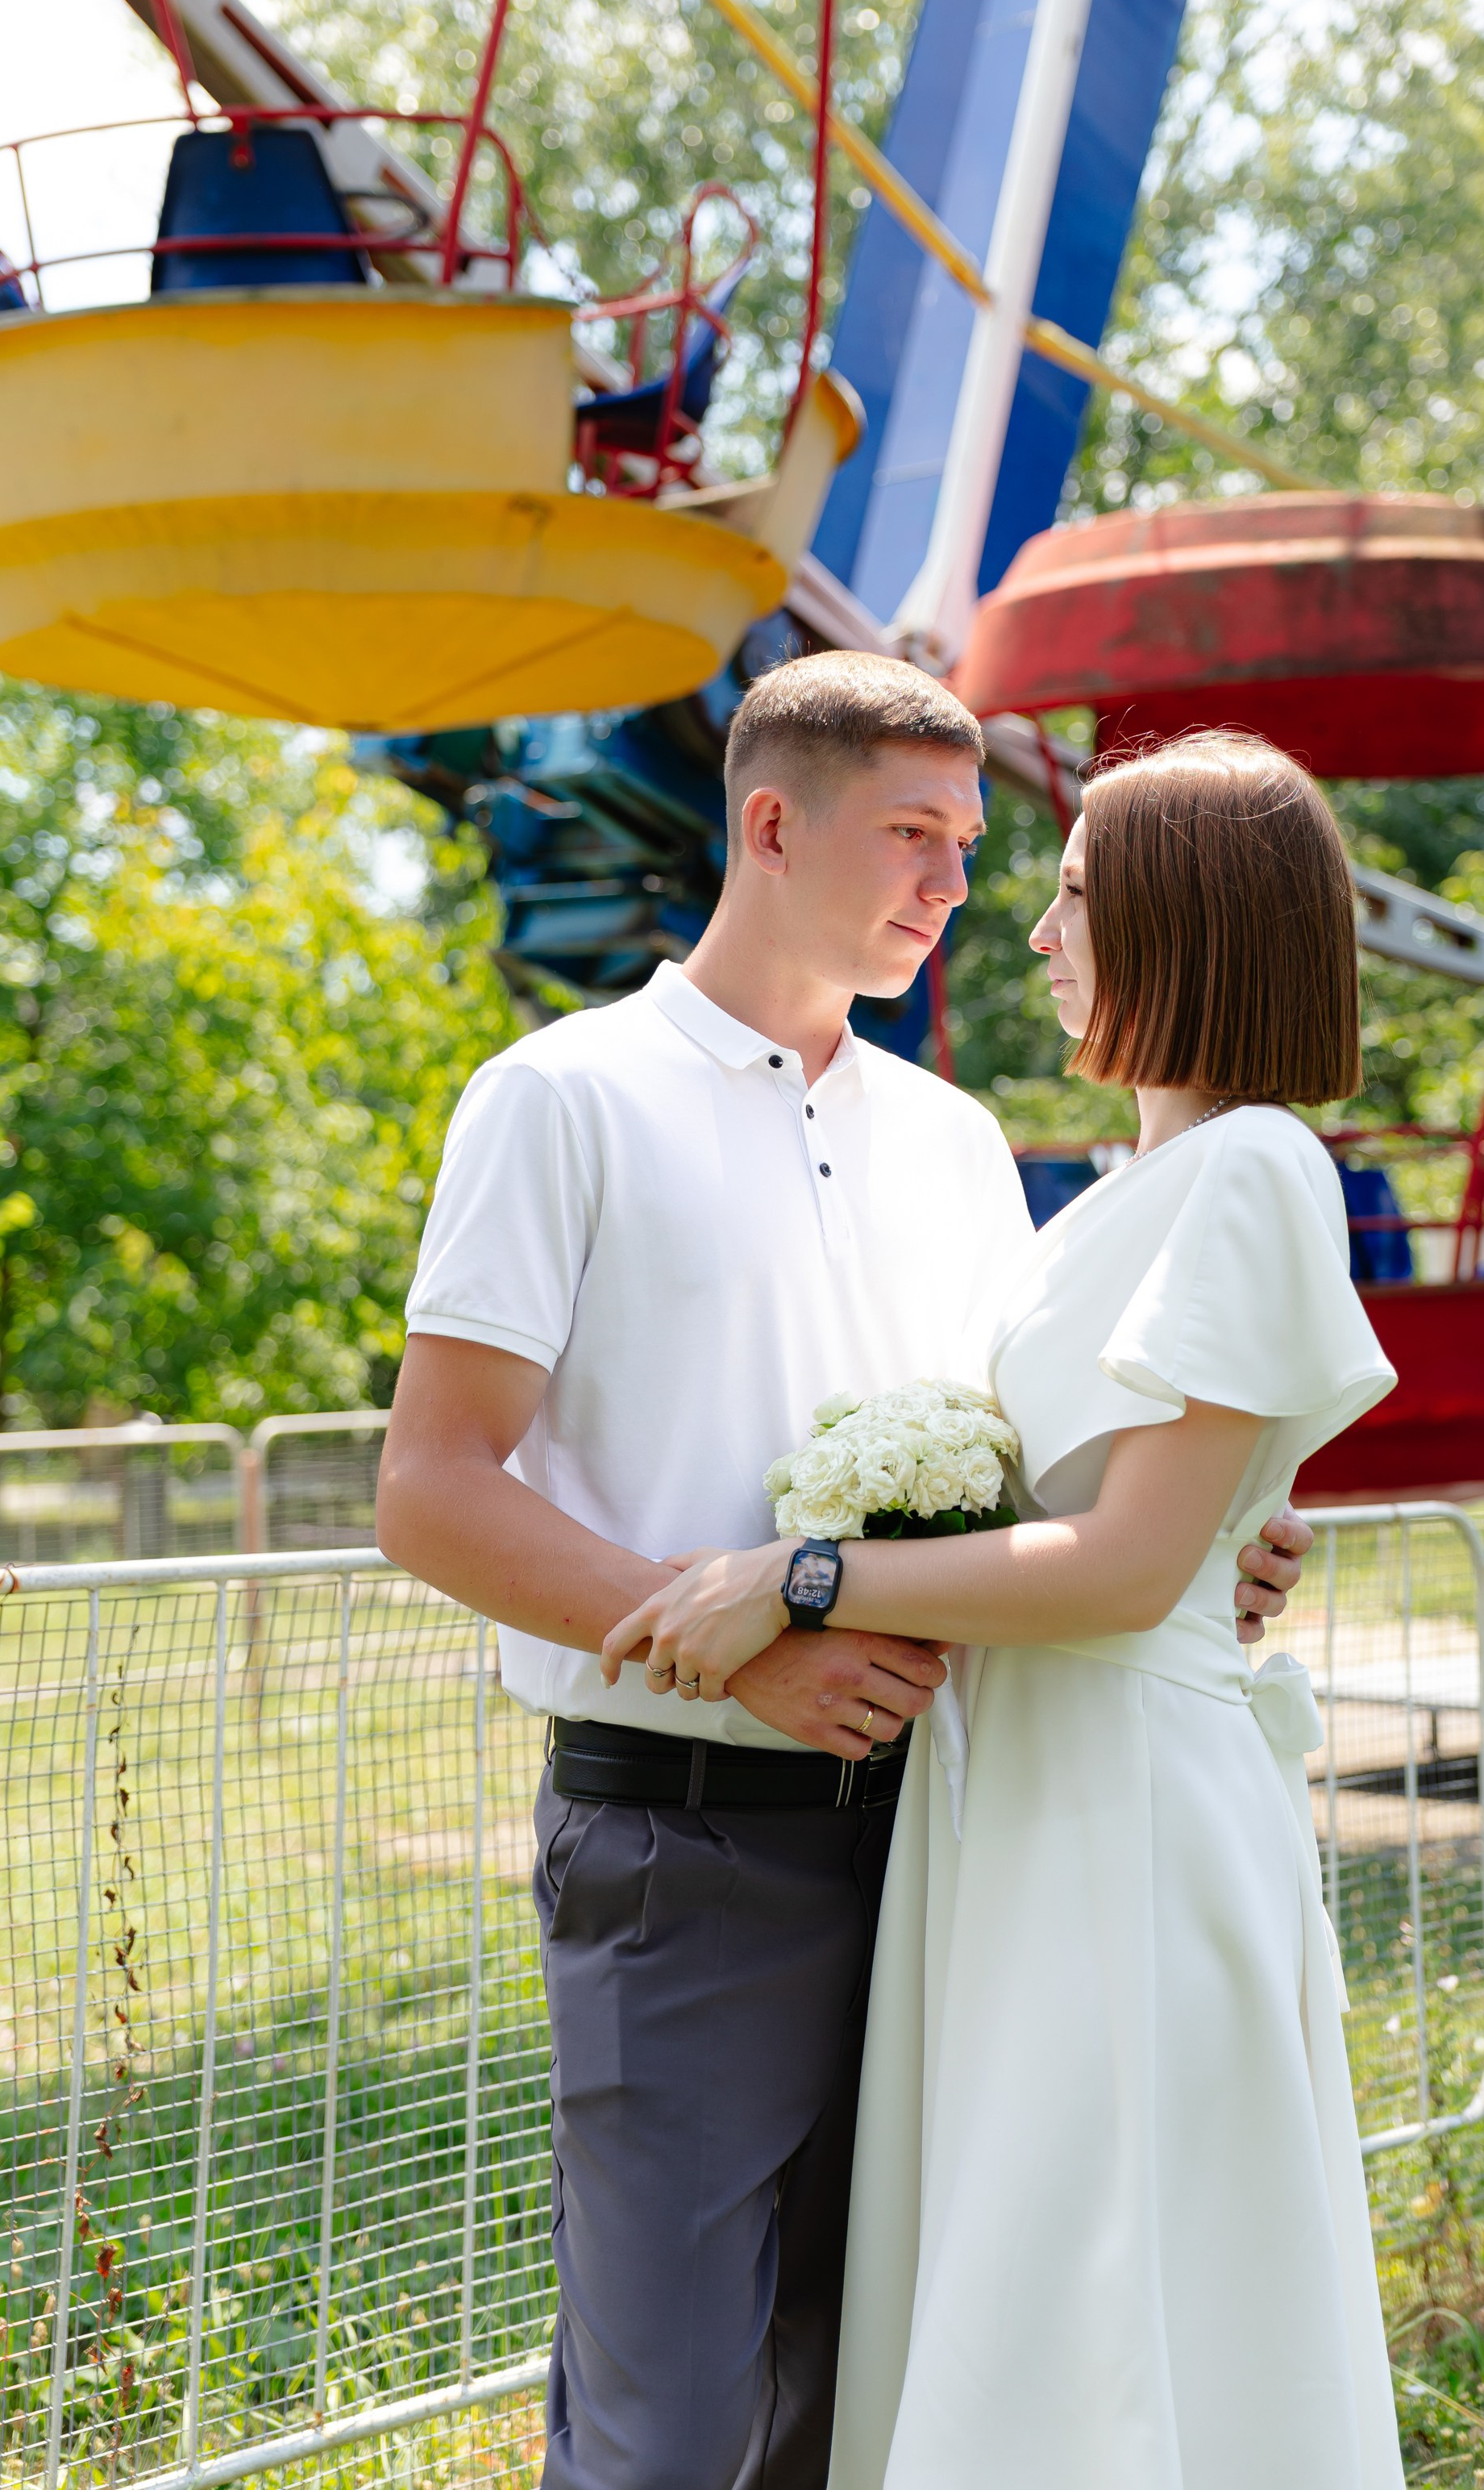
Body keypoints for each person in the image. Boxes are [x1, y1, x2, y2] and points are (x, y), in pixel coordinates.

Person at [375, 657, 1316, 2490]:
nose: (957, 886)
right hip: (687, 1842)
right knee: (668, 2432)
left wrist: (1222, 1533)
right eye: (913, 835)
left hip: (961, 1839)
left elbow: (1032, 1464)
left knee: (867, 2410)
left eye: (970, 844)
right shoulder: (559, 1097)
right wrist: (745, 1648)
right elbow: (429, 1490)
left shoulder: (957, 1143)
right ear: (771, 824)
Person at [604, 727, 1407, 2490]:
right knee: (1032, 2278)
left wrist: (799, 1577)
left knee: (1096, 2289)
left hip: (1124, 1803)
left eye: (1077, 894)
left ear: (1189, 920)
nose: (1036, 931)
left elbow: (1124, 1567)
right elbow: (1119, 1510)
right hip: (1030, 1784)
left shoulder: (1253, 1167)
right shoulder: (1137, 1190)